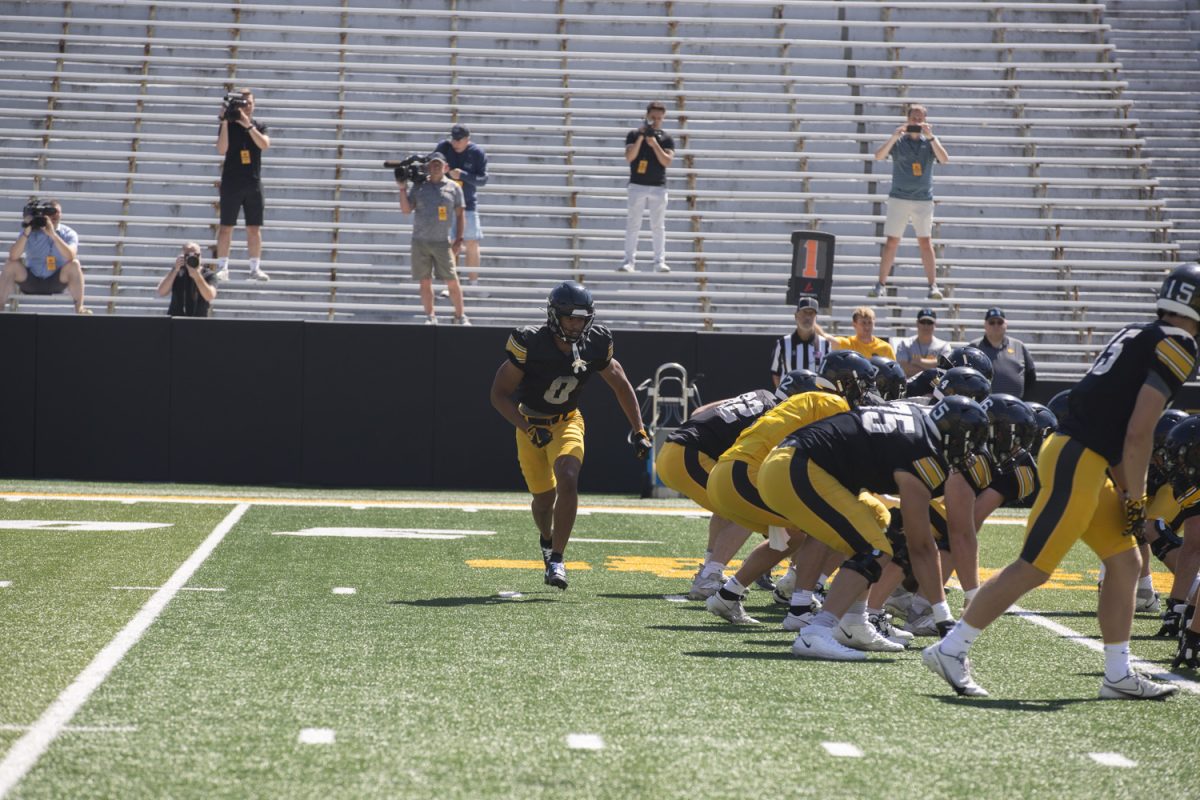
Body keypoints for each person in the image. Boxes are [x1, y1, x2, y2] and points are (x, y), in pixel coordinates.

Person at [923, 263, 1200, 700]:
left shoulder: (1138, 332)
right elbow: (1139, 430)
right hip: (1080, 458)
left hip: (1084, 455)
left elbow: (1111, 414)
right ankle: (952, 647)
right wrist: (1138, 493)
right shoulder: (1179, 343)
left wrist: (1124, 486)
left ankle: (1117, 674)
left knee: (1126, 562)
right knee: (1033, 565)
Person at [757, 396, 991, 660]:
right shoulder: (924, 450)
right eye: (969, 446)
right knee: (874, 549)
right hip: (797, 467)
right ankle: (816, 633)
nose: (969, 455)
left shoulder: (917, 425)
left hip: (787, 463)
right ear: (954, 437)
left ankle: (853, 623)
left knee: (873, 531)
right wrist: (944, 619)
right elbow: (921, 546)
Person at [489, 281, 650, 590]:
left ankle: (558, 559)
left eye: (582, 318)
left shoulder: (595, 342)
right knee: (543, 498)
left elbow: (620, 383)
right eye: (570, 318)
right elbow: (498, 394)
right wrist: (528, 427)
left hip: (568, 421)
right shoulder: (530, 342)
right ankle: (547, 541)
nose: (577, 325)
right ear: (554, 316)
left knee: (568, 475)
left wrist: (639, 429)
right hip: (530, 423)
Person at [869, 104, 949, 301]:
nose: (916, 122)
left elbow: (944, 159)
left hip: (922, 199)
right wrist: (895, 135)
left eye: (920, 118)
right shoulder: (899, 142)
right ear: (907, 119)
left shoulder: (929, 142)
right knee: (892, 242)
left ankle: (933, 285)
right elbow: (878, 156)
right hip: (899, 197)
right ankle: (881, 283)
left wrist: (931, 136)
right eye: (913, 118)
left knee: (925, 242)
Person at [398, 151, 468, 326]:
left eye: (439, 164)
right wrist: (401, 188)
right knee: (425, 280)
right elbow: (406, 210)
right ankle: (430, 316)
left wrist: (459, 238)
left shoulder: (454, 187)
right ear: (428, 167)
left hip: (442, 241)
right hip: (420, 240)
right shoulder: (419, 186)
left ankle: (461, 316)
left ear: (445, 167)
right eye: (433, 164)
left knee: (452, 280)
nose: (436, 167)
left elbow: (460, 214)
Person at [215, 88, 271, 282]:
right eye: (242, 103)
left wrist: (247, 125)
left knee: (254, 227)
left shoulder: (258, 125)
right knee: (226, 226)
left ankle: (255, 268)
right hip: (232, 181)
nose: (245, 106)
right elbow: (221, 149)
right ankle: (223, 267)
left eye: (249, 102)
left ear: (254, 105)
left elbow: (264, 144)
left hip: (253, 182)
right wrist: (224, 122)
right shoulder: (229, 125)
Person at [0, 199, 89, 315]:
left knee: (75, 264)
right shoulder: (31, 231)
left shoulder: (68, 233)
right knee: (11, 265)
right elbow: (13, 256)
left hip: (56, 279)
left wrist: (52, 234)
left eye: (57, 212)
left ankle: (80, 309)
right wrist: (27, 231)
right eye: (51, 212)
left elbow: (70, 256)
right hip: (32, 279)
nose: (55, 215)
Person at [618, 101, 674, 273]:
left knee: (658, 225)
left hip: (658, 185)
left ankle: (659, 261)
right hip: (637, 184)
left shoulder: (666, 138)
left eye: (659, 118)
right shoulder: (634, 135)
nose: (655, 121)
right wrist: (642, 137)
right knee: (633, 224)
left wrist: (654, 143)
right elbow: (630, 157)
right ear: (646, 116)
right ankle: (629, 261)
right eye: (652, 117)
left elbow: (667, 161)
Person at [435, 124, 488, 289]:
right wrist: (442, 171)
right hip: (445, 202)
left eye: (459, 140)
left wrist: (463, 176)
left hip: (467, 204)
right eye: (453, 139)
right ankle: (449, 284)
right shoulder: (443, 148)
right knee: (448, 242)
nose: (455, 143)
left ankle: (473, 284)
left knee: (472, 242)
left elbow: (483, 180)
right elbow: (430, 168)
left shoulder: (476, 153)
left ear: (467, 139)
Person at [971, 307, 1037, 399]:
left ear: (1006, 324)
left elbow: (1030, 375)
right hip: (983, 407)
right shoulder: (974, 348)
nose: (996, 325)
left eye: (1000, 322)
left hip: (1014, 406)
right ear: (985, 325)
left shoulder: (1019, 346)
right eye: (992, 322)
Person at [769, 296, 832, 387]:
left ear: (816, 318)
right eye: (804, 313)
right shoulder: (783, 344)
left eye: (811, 314)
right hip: (791, 398)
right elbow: (776, 373)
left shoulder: (825, 344)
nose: (807, 317)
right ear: (796, 316)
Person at [157, 241, 217, 317]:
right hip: (176, 320)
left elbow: (209, 296)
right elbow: (161, 292)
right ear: (183, 256)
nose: (192, 258)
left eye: (195, 255)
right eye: (188, 255)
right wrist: (175, 269)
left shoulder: (208, 274)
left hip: (199, 321)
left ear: (201, 256)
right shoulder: (177, 271)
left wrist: (197, 276)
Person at [822, 306, 896, 360]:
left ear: (874, 323)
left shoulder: (885, 348)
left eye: (870, 323)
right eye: (863, 323)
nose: (867, 327)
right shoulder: (848, 344)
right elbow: (826, 338)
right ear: (854, 324)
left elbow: (894, 373)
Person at [894, 307, 951, 378]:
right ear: (917, 323)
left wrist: (918, 361)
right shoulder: (905, 344)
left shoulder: (944, 346)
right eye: (923, 322)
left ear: (935, 324)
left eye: (929, 322)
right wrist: (933, 366)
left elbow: (944, 369)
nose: (926, 326)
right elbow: (904, 368)